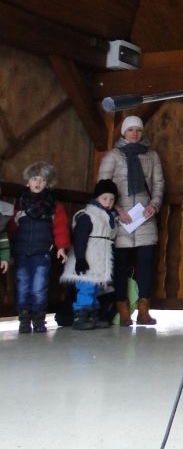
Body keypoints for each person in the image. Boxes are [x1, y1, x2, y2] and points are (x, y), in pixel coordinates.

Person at [98, 115, 164, 327]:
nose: (134, 133)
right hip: (121, 219)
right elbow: (103, 187)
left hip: (145, 216)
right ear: (123, 133)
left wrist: (154, 205)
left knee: (146, 264)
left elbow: (158, 183)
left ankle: (144, 311)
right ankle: (122, 311)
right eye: (130, 130)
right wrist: (117, 210)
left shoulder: (151, 155)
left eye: (138, 130)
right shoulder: (113, 156)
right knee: (120, 265)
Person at [9, 162, 71, 333]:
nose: (38, 182)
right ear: (27, 182)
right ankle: (24, 319)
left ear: (47, 184)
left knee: (39, 287)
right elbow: (11, 229)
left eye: (42, 180)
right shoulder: (19, 205)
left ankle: (38, 319)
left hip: (42, 253)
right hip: (21, 253)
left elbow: (60, 228)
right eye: (34, 178)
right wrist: (7, 251)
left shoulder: (54, 207)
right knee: (22, 286)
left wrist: (61, 247)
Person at [60, 179, 119, 330]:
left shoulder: (109, 218)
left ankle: (93, 315)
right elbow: (79, 238)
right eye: (104, 198)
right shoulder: (88, 216)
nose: (108, 202)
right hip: (87, 261)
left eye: (111, 199)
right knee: (86, 288)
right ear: (97, 198)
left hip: (99, 261)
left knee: (95, 289)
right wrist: (80, 259)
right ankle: (81, 316)